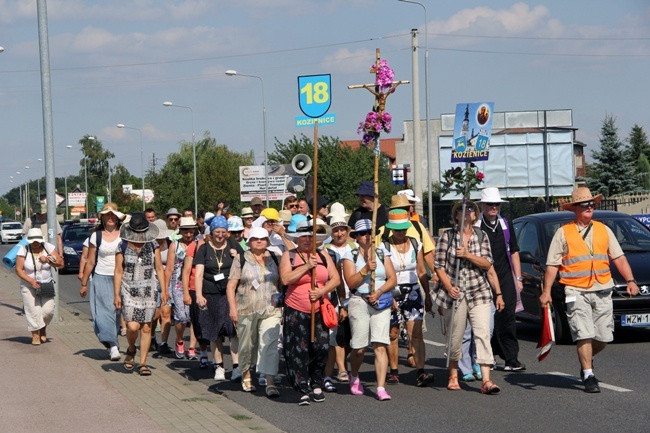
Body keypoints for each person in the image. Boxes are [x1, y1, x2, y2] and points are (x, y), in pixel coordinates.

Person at [540, 187, 639, 393]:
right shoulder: (563, 233)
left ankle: (588, 358)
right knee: (583, 332)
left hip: (602, 287)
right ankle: (588, 374)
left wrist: (630, 280)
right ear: (575, 208)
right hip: (575, 290)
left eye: (592, 204)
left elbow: (619, 258)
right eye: (585, 205)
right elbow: (552, 265)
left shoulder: (604, 230)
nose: (590, 208)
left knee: (603, 336)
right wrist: (546, 291)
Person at [434, 201, 504, 394]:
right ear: (456, 215)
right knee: (456, 336)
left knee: (483, 333)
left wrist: (467, 255)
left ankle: (487, 380)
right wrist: (448, 287)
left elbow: (487, 264)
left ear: (475, 216)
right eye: (462, 210)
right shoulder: (447, 237)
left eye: (471, 210)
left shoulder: (481, 236)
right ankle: (453, 374)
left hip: (478, 291)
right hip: (455, 293)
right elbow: (438, 266)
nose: (467, 213)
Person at [281, 220, 341, 405]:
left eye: (311, 236)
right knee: (299, 349)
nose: (307, 239)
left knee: (321, 347)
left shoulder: (323, 255)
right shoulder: (289, 255)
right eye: (304, 237)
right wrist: (306, 266)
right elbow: (285, 279)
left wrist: (322, 291)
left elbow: (336, 279)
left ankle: (316, 382)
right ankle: (302, 387)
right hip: (296, 309)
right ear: (297, 239)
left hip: (320, 308)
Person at [342, 219, 397, 401]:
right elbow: (351, 282)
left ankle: (380, 387)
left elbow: (392, 278)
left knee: (380, 344)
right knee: (359, 347)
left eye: (369, 232)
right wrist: (365, 269)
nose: (367, 236)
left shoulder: (382, 252)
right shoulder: (350, 255)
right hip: (359, 301)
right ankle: (355, 375)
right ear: (356, 237)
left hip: (380, 303)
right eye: (363, 233)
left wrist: (380, 292)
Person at [227, 227, 283, 397]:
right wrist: (232, 309)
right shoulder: (240, 258)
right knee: (247, 345)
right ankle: (246, 374)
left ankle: (270, 381)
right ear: (249, 241)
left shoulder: (275, 257)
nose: (259, 241)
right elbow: (231, 286)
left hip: (271, 308)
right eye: (255, 238)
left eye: (263, 238)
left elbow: (280, 283)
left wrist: (282, 305)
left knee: (270, 344)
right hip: (246, 308)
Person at [476, 187, 526, 371]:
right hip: (482, 277)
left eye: (497, 204)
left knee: (507, 317)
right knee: (485, 320)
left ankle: (511, 358)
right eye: (490, 204)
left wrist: (518, 278)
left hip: (505, 276)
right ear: (482, 205)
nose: (494, 207)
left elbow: (514, 251)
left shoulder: (505, 223)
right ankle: (487, 356)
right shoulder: (476, 226)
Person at [383, 209, 434, 387]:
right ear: (391, 229)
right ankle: (394, 372)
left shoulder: (415, 243)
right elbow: (383, 275)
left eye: (403, 229)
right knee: (393, 333)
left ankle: (421, 371)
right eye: (397, 229)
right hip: (392, 290)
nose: (401, 232)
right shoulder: (384, 247)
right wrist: (390, 296)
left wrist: (427, 294)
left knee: (416, 332)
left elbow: (421, 271)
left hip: (413, 290)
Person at [114, 213, 166, 376]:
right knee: (132, 326)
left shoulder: (153, 246)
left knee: (146, 327)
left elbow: (159, 268)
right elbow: (118, 270)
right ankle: (131, 349)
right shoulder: (122, 246)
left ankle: (143, 362)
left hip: (149, 290)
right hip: (129, 289)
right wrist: (116, 294)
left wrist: (164, 291)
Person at [194, 216, 242, 381]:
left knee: (233, 331)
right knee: (215, 333)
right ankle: (219, 366)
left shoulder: (234, 245)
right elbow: (199, 274)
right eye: (217, 232)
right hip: (211, 294)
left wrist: (237, 257)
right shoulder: (204, 249)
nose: (220, 235)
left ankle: (236, 367)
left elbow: (246, 265)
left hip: (232, 294)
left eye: (223, 232)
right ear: (212, 232)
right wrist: (199, 295)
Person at [80, 202, 126, 361]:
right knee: (102, 314)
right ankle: (113, 345)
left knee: (116, 312)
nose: (111, 218)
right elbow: (90, 261)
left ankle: (113, 341)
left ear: (118, 218)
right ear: (103, 218)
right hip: (101, 277)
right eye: (108, 215)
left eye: (114, 215)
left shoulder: (125, 234)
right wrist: (84, 283)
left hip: (121, 278)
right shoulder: (96, 235)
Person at [322, 215, 356, 389]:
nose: (339, 233)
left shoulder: (355, 248)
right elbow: (336, 281)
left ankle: (339, 364)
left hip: (356, 296)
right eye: (335, 230)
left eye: (342, 229)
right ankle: (341, 369)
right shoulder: (327, 251)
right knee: (336, 335)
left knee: (353, 337)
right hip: (336, 297)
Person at [15, 228, 63, 345]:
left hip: (46, 284)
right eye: (33, 240)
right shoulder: (23, 249)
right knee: (32, 310)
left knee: (48, 310)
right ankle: (35, 335)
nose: (36, 243)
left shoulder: (48, 247)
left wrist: (47, 260)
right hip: (28, 285)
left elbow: (60, 263)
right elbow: (18, 269)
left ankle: (43, 327)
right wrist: (31, 281)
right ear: (29, 240)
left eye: (37, 240)